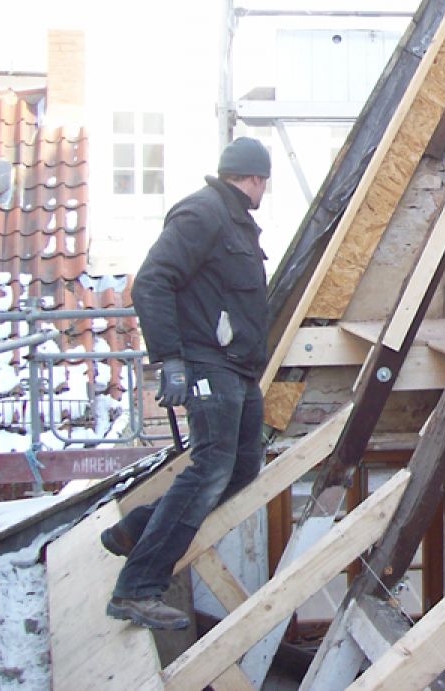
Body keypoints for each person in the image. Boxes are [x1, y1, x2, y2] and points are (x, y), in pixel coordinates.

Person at [101, 137, 271, 631]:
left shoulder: (234, 220)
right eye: (265, 183)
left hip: (238, 369)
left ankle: (136, 530)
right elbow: (152, 281)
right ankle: (138, 588)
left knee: (241, 468)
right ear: (255, 179)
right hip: (207, 364)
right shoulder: (203, 213)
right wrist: (171, 361)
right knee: (211, 468)